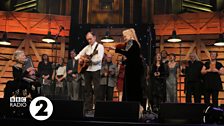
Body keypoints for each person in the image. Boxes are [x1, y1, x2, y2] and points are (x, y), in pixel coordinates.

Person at [110, 28, 144, 108]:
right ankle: (134, 106)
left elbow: (128, 54)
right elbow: (132, 57)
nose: (124, 38)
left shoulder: (131, 42)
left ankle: (130, 107)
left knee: (130, 88)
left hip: (133, 70)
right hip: (134, 69)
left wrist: (117, 49)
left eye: (125, 36)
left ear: (130, 35)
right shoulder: (134, 43)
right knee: (133, 88)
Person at [75, 32, 104, 115]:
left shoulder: (100, 47)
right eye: (88, 39)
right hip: (87, 70)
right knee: (87, 89)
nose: (89, 40)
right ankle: (88, 108)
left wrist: (90, 60)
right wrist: (80, 59)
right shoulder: (87, 47)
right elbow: (78, 55)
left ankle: (98, 108)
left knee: (97, 89)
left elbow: (99, 59)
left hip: (96, 70)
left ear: (95, 37)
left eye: (90, 39)